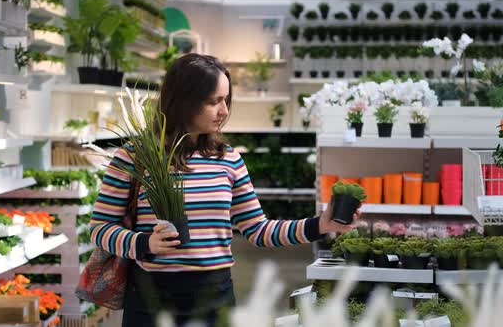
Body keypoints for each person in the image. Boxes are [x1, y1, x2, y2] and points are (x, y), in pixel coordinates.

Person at [89, 53, 360, 327]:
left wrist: (319, 225)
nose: (224, 111)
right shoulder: (135, 157)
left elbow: (258, 230)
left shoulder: (228, 159)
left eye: (226, 100)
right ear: (183, 102)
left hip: (214, 301)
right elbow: (99, 228)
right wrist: (144, 243)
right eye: (213, 102)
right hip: (150, 301)